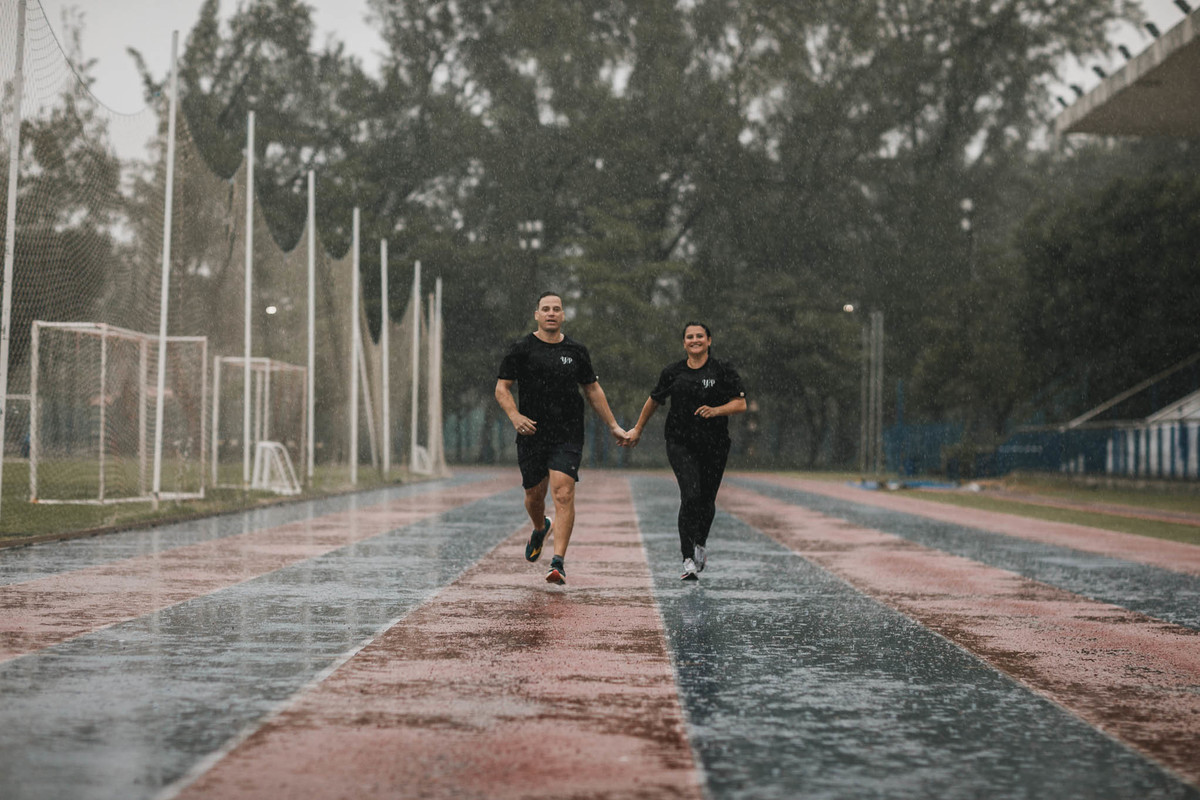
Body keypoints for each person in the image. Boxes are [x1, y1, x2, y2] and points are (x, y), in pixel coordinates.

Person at [495, 291, 628, 585]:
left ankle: (558, 562)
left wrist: (613, 425)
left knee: (564, 492)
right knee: (534, 496)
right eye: (546, 309)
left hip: (568, 433)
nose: (551, 313)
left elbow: (592, 390)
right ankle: (541, 527)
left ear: (563, 315)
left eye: (557, 309)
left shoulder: (577, 351)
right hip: (531, 432)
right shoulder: (521, 348)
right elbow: (502, 388)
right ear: (537, 315)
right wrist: (515, 417)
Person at [627, 322, 747, 580]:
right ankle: (687, 559)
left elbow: (740, 404)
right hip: (680, 442)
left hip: (715, 444)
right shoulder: (673, 372)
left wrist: (715, 410)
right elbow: (654, 400)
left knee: (706, 500)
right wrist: (638, 429)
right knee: (690, 495)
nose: (695, 340)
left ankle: (700, 542)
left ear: (709, 340)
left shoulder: (722, 370)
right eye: (690, 337)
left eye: (699, 336)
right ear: (684, 343)